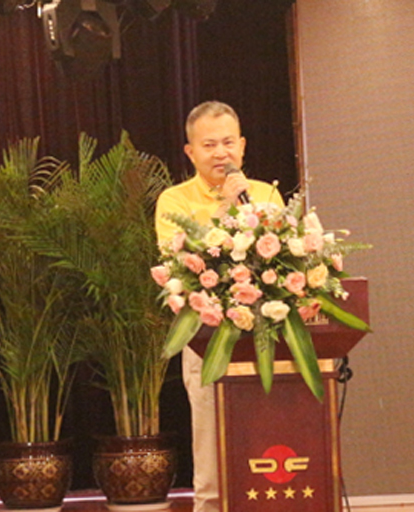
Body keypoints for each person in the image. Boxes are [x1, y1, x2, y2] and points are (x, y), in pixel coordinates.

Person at [155, 100, 284, 512]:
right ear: (190, 152)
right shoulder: (174, 201)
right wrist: (228, 207)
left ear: (242, 146)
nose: (220, 153)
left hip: (267, 336)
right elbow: (181, 264)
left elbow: (283, 261)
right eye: (209, 145)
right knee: (212, 448)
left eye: (228, 143)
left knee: (271, 438)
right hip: (207, 338)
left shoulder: (266, 194)